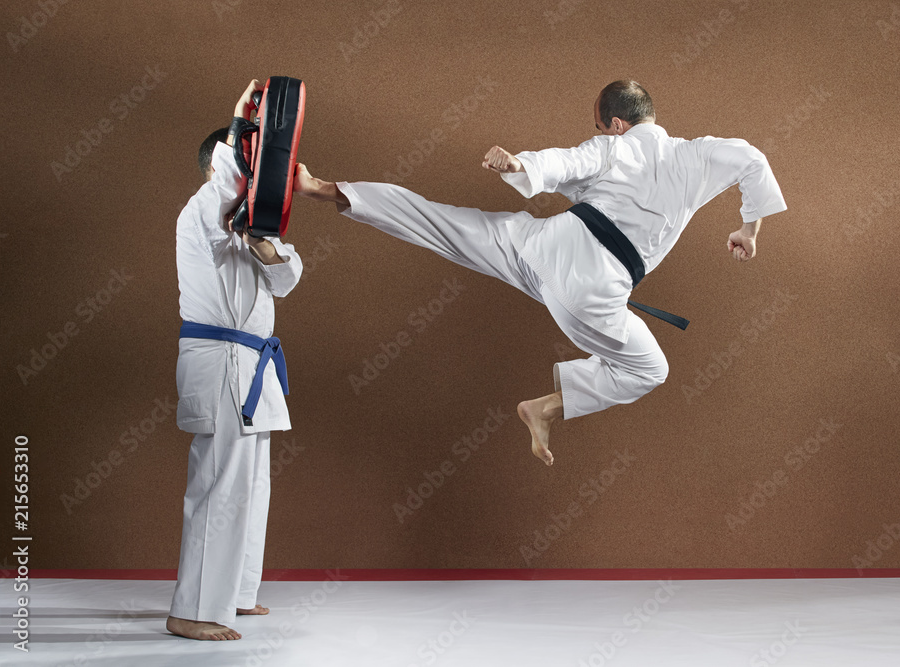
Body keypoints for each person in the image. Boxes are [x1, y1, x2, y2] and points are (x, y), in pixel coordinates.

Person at [293, 79, 786, 466]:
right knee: (650, 369)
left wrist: (520, 165)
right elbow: (753, 160)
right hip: (593, 287)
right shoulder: (695, 154)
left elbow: (566, 161)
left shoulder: (614, 147)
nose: (599, 136)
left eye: (599, 128)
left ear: (615, 123)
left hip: (546, 245)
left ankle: (325, 188)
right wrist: (749, 230)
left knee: (444, 222)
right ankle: (546, 407)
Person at [166, 80, 304, 641]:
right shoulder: (198, 219)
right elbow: (228, 179)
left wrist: (268, 248)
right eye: (242, 173)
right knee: (218, 484)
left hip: (253, 369)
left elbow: (289, 277)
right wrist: (240, 129)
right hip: (219, 361)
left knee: (251, 485)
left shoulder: (249, 230)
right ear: (217, 171)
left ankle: (238, 592)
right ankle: (193, 608)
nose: (251, 184)